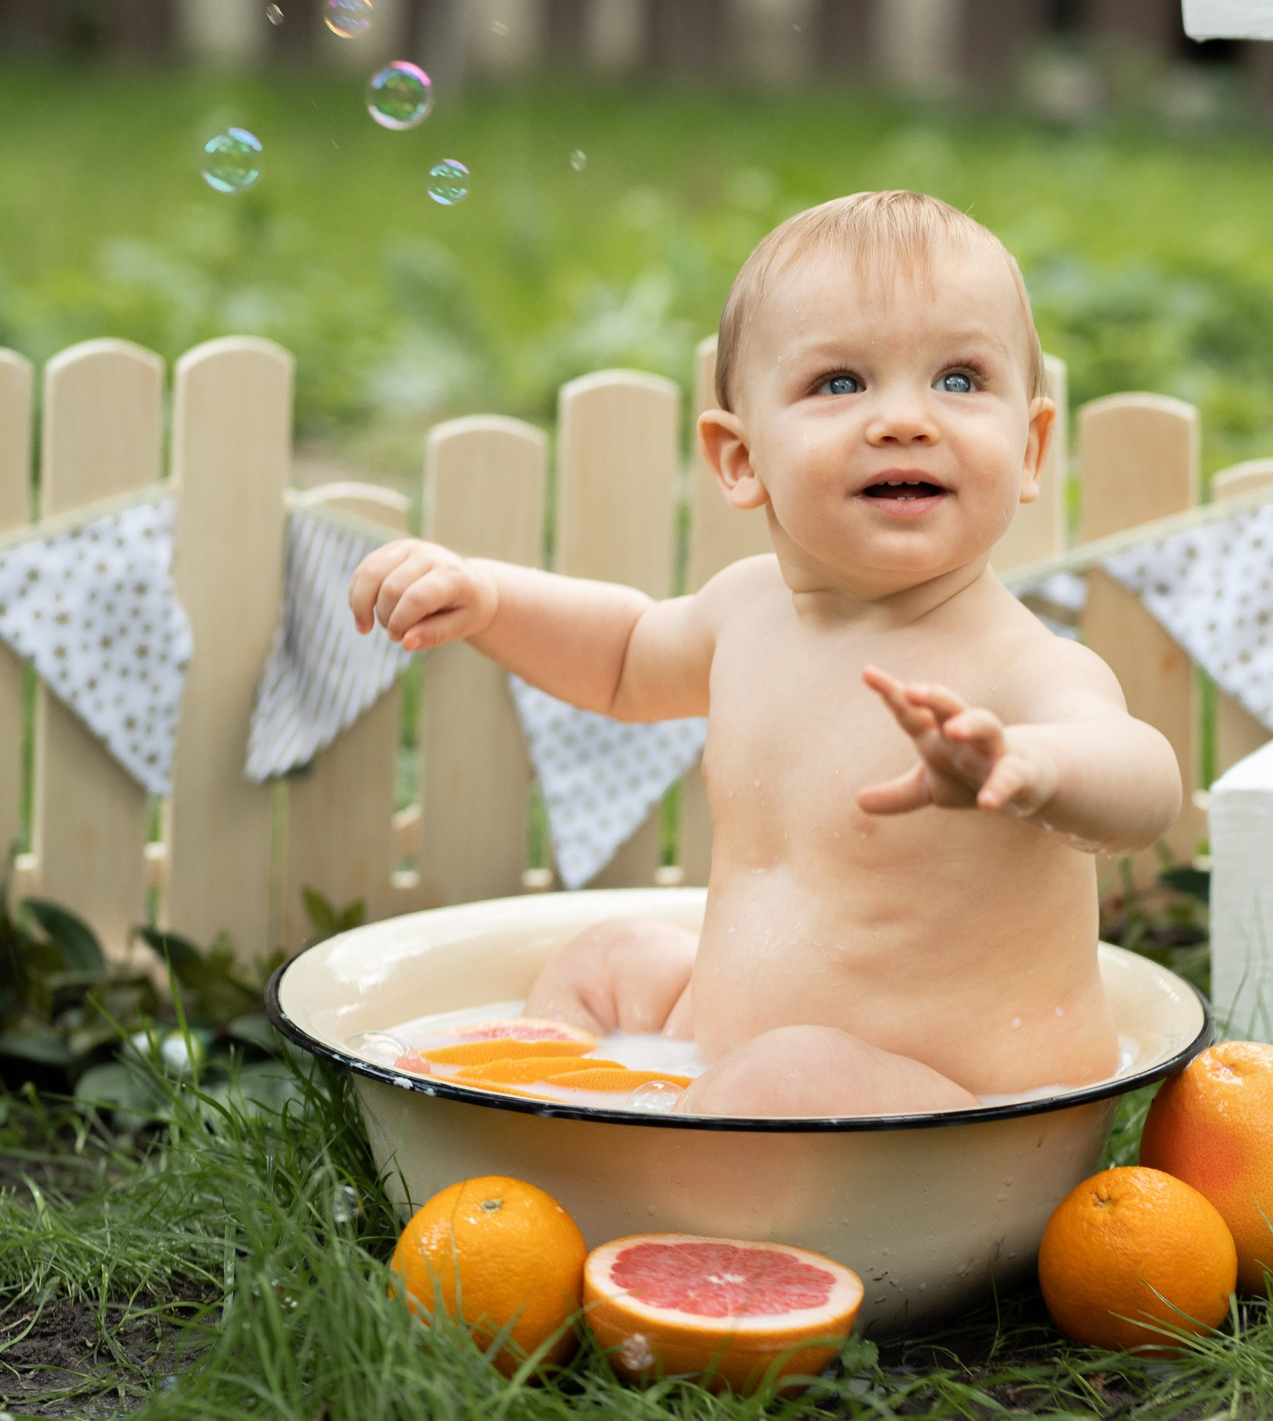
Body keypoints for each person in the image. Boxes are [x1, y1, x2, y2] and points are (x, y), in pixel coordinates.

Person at [348, 190, 1183, 1116]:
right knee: (607, 956)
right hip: (739, 1049)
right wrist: (491, 598)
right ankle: (541, 1127)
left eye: (958, 380)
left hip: (958, 1102)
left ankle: (653, 1177)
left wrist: (1031, 765)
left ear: (1029, 449)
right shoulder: (745, 611)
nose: (904, 418)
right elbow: (623, 655)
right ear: (740, 460)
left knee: (783, 1078)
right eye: (839, 383)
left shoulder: (1019, 669)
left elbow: (1142, 783)